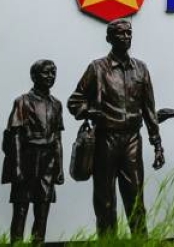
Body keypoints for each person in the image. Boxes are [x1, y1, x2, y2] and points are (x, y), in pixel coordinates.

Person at [68, 18, 165, 236]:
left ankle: (140, 241)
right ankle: (108, 242)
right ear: (109, 38)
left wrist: (157, 144)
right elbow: (74, 101)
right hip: (105, 139)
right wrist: (90, 111)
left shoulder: (141, 69)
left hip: (132, 140)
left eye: (129, 33)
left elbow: (149, 109)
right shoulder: (97, 68)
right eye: (120, 33)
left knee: (135, 198)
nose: (126, 37)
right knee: (105, 200)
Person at [2, 59, 64, 243]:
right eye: (46, 73)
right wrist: (18, 167)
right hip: (27, 159)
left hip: (48, 163)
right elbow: (15, 136)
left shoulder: (56, 104)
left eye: (53, 72)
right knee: (20, 211)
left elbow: (58, 139)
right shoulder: (23, 101)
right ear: (34, 76)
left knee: (42, 212)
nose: (50, 76)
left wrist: (59, 169)